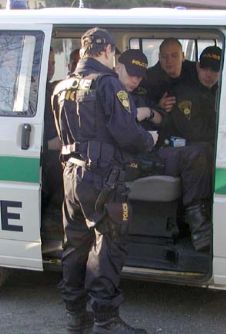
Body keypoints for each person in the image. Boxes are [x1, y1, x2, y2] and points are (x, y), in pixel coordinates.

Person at [52, 28, 155, 334]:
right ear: (108, 50)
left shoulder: (62, 86)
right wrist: (148, 139)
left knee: (74, 244)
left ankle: (75, 317)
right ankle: (105, 320)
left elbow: (63, 135)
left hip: (71, 175)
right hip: (103, 177)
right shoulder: (108, 84)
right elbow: (126, 133)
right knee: (108, 244)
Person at [116, 49, 216, 252]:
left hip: (151, 151)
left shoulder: (137, 93)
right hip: (130, 159)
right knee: (195, 154)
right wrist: (144, 129)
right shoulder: (111, 93)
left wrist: (149, 112)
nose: (136, 80)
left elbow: (161, 117)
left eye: (139, 76)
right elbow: (122, 133)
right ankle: (198, 225)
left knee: (200, 150)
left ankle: (199, 219)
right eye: (131, 74)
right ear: (118, 67)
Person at [41, 48, 63, 210]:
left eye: (53, 63)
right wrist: (47, 144)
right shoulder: (27, 92)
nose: (50, 68)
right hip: (43, 158)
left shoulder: (51, 88)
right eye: (47, 63)